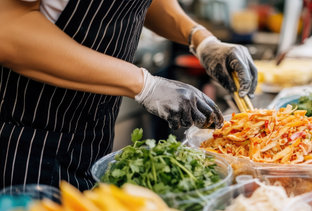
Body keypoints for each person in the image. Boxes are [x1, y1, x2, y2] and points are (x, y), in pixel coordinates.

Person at [0, 0, 257, 191]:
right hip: (26, 139)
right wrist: (145, 85)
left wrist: (201, 39)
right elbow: (8, 28)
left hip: (91, 134)